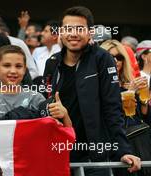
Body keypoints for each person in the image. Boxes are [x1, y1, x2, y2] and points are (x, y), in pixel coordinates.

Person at [46, 6, 140, 175]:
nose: (73, 33)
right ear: (61, 32)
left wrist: (123, 150)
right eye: (68, 29)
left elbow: (113, 108)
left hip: (94, 155)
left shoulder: (102, 59)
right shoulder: (52, 62)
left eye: (79, 29)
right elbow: (46, 105)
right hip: (60, 152)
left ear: (90, 32)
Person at [0, 45, 72, 127]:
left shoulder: (36, 99)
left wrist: (64, 115)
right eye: (7, 65)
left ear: (24, 69)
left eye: (18, 66)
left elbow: (62, 133)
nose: (13, 71)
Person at [101, 39, 151, 176]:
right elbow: (106, 114)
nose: (116, 61)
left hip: (140, 140)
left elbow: (143, 115)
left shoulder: (128, 84)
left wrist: (144, 99)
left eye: (119, 57)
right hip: (119, 143)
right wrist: (128, 93)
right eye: (111, 57)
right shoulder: (98, 86)